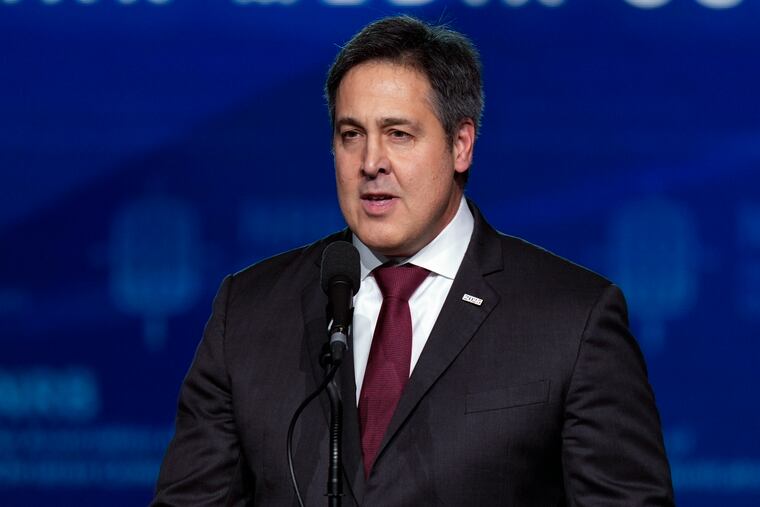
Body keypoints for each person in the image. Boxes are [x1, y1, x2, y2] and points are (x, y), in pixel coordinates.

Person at [152, 16, 674, 506]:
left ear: (461, 145)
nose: (370, 163)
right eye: (351, 135)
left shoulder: (574, 319)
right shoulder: (249, 311)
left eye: (398, 134)